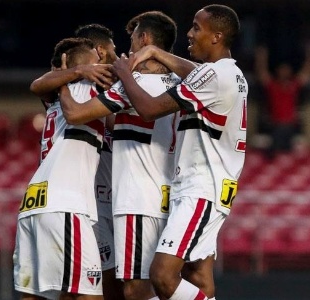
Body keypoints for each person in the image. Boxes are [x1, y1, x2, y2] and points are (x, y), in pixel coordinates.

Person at [112, 4, 247, 300]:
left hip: (201, 187)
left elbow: (148, 110)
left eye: (197, 28)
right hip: (213, 186)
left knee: (162, 275)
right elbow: (197, 74)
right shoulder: (231, 74)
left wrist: (125, 74)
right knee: (197, 275)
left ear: (217, 36)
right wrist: (157, 53)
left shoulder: (213, 76)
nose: (189, 32)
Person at [57, 11, 181, 300]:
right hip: (168, 195)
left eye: (132, 37)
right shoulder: (180, 83)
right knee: (160, 282)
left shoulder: (130, 86)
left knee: (136, 289)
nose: (127, 47)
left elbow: (75, 114)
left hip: (137, 198)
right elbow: (122, 124)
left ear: (145, 39)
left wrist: (65, 77)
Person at [29, 23, 124, 300]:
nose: (117, 56)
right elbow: (38, 85)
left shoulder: (77, 92)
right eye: (113, 50)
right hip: (82, 203)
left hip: (88, 200)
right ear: (100, 52)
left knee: (72, 289)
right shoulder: (78, 89)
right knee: (100, 289)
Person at [13, 37, 105, 300]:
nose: (101, 62)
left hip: (34, 203)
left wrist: (65, 75)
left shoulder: (55, 103)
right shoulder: (86, 89)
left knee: (36, 295)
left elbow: (38, 85)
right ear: (82, 67)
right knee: (90, 294)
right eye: (96, 60)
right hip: (65, 204)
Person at [254, 41, 310, 155]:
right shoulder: (273, 86)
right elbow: (262, 74)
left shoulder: (294, 85)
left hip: (290, 126)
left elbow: (307, 73)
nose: (284, 72)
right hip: (275, 125)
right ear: (278, 71)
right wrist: (261, 58)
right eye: (282, 69)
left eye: (286, 69)